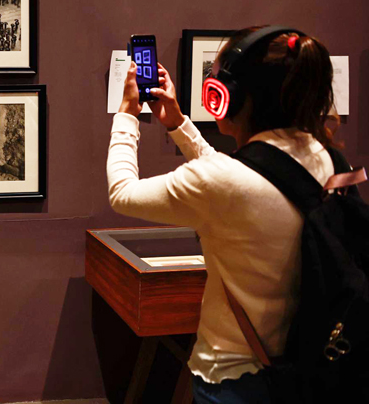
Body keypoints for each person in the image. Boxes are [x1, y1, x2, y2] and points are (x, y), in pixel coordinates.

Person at [107, 26, 338, 402]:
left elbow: (123, 193)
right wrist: (179, 124)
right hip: (311, 367)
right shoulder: (324, 157)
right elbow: (241, 177)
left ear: (228, 97)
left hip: (234, 377)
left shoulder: (223, 182)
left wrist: (127, 115)